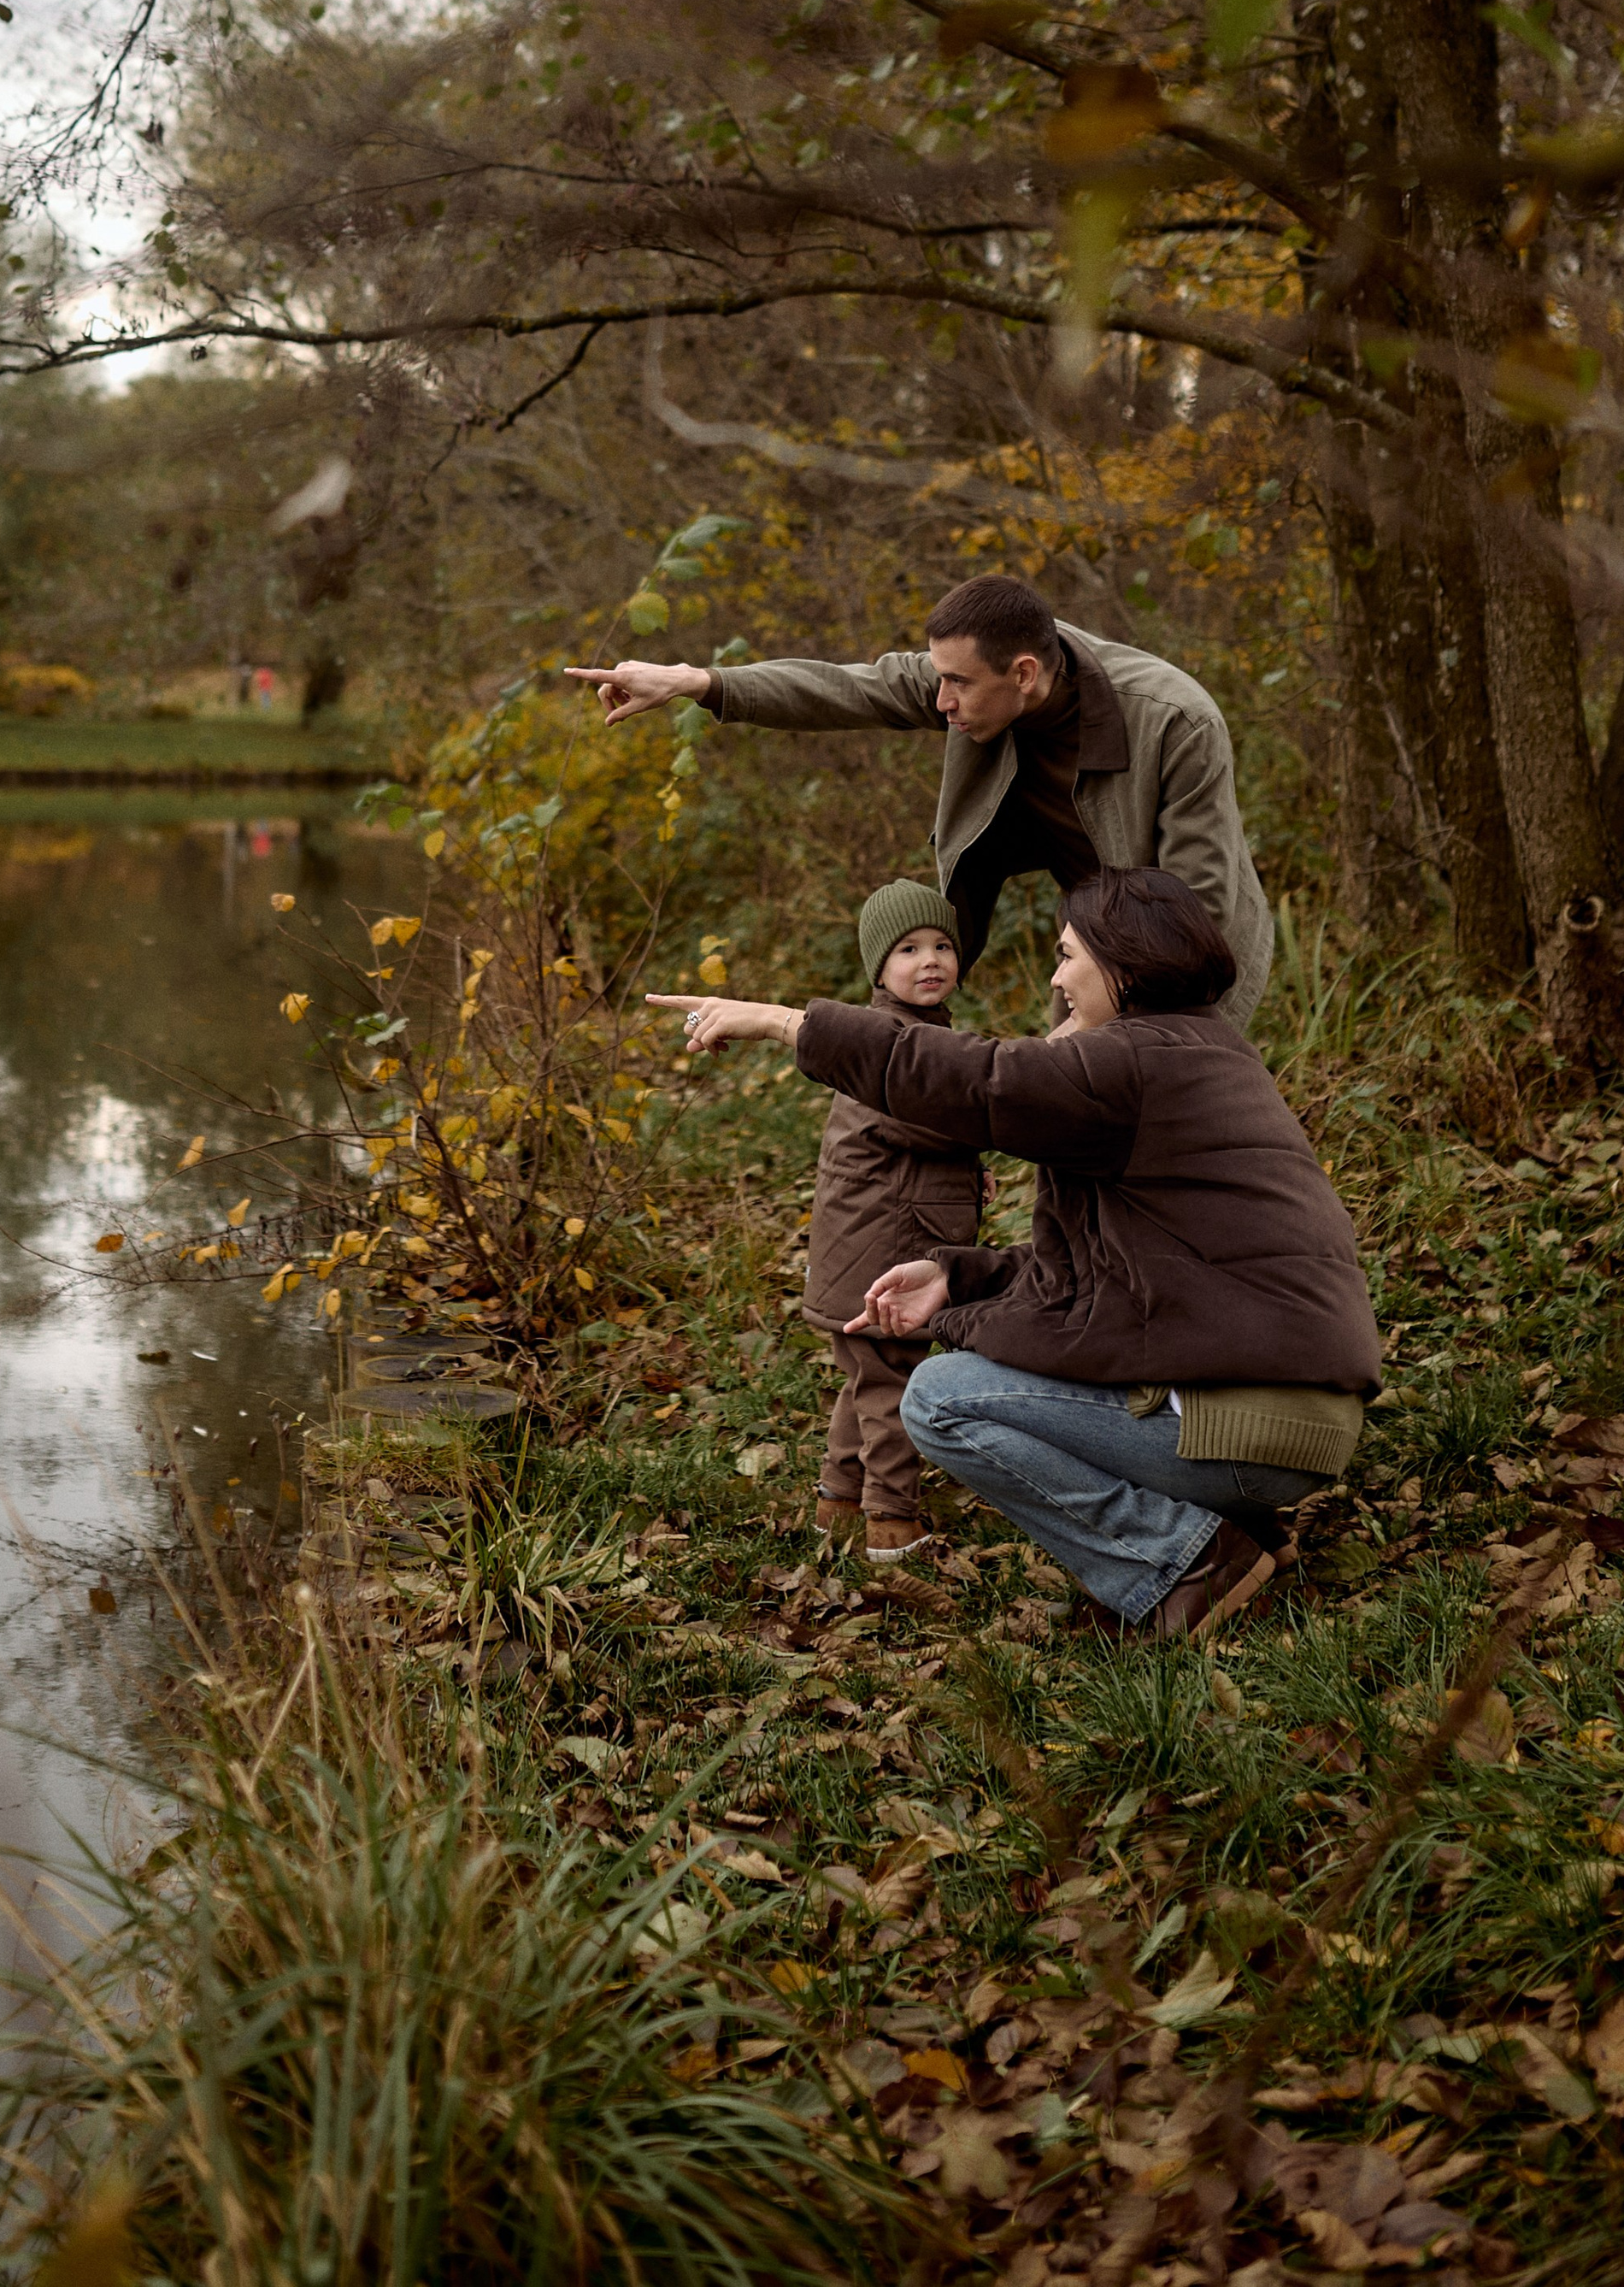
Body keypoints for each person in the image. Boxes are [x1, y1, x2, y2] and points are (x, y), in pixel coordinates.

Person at [650, 864, 1378, 1642]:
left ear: (1123, 965)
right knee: (978, 1377)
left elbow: (974, 1081)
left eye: (1068, 957)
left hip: (1249, 1424)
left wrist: (781, 1022)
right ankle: (1234, 1533)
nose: (1057, 980)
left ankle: (1183, 1563)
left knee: (939, 1398)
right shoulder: (1203, 1051)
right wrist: (960, 1278)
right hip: (1290, 1419)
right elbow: (1119, 1274)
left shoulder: (1132, 1063)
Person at [572, 569, 1273, 1026]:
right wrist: (698, 683)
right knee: (1073, 1130)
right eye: (937, 678)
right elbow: (848, 689)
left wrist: (1104, 1030)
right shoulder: (975, 678)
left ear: (1024, 674)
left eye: (957, 684)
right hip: (1089, 941)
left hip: (1193, 961)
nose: (940, 702)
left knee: (1165, 1130)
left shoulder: (1176, 722)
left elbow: (1196, 904)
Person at [806, 881, 986, 1566]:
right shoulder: (886, 1041)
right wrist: (982, 1138)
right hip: (886, 1241)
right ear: (878, 969)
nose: (930, 960)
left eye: (942, 946)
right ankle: (891, 1518)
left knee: (867, 1374)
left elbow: (920, 1142)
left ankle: (839, 1499)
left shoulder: (919, 1031)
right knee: (892, 1379)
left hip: (871, 1234)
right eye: (908, 950)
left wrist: (970, 1173)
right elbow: (932, 1116)